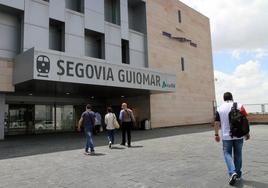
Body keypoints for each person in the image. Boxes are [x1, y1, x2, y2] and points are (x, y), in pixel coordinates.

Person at [214, 92, 250, 186]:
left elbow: (217, 122)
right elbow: (246, 119)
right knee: (238, 154)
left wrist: (216, 134)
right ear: (232, 98)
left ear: (223, 98)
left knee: (227, 153)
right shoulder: (240, 105)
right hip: (239, 135)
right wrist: (247, 133)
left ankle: (232, 171)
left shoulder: (219, 108)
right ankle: (237, 174)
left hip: (226, 136)